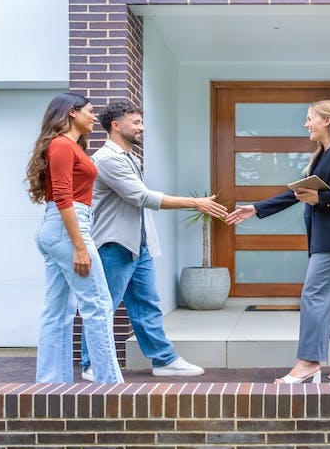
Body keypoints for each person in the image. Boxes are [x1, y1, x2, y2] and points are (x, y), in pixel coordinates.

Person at [225, 100, 330, 384]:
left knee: (314, 295)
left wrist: (324, 198)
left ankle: (308, 362)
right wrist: (255, 208)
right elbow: (297, 193)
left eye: (310, 119)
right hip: (327, 236)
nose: (306, 124)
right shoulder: (322, 154)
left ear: (327, 120)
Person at [80, 100, 227, 381]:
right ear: (116, 125)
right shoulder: (107, 159)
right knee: (103, 306)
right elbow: (141, 197)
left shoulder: (129, 157)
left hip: (138, 246)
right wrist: (194, 202)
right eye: (135, 122)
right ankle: (91, 364)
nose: (141, 128)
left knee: (147, 304)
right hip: (114, 245)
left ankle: (164, 360)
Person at [25, 92, 122, 384]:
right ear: (71, 113)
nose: (94, 117)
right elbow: (65, 197)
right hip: (69, 228)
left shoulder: (65, 146)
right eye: (90, 112)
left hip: (59, 228)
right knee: (98, 304)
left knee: (58, 309)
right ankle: (110, 385)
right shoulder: (62, 146)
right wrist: (80, 246)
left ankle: (51, 384)